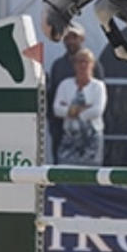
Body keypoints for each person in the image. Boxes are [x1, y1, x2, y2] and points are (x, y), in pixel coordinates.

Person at [47, 23, 104, 162]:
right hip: (62, 129)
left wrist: (74, 111)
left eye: (74, 37)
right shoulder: (58, 65)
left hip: (89, 130)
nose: (71, 41)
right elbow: (53, 97)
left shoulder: (95, 65)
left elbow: (99, 101)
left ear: (82, 39)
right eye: (67, 38)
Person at [52, 48, 107, 165]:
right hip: (69, 137)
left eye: (86, 61)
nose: (83, 65)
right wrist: (83, 108)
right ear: (74, 65)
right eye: (79, 61)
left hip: (92, 140)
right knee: (66, 174)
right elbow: (57, 109)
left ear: (92, 65)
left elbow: (97, 111)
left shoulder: (98, 86)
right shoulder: (65, 84)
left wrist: (70, 110)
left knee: (90, 177)